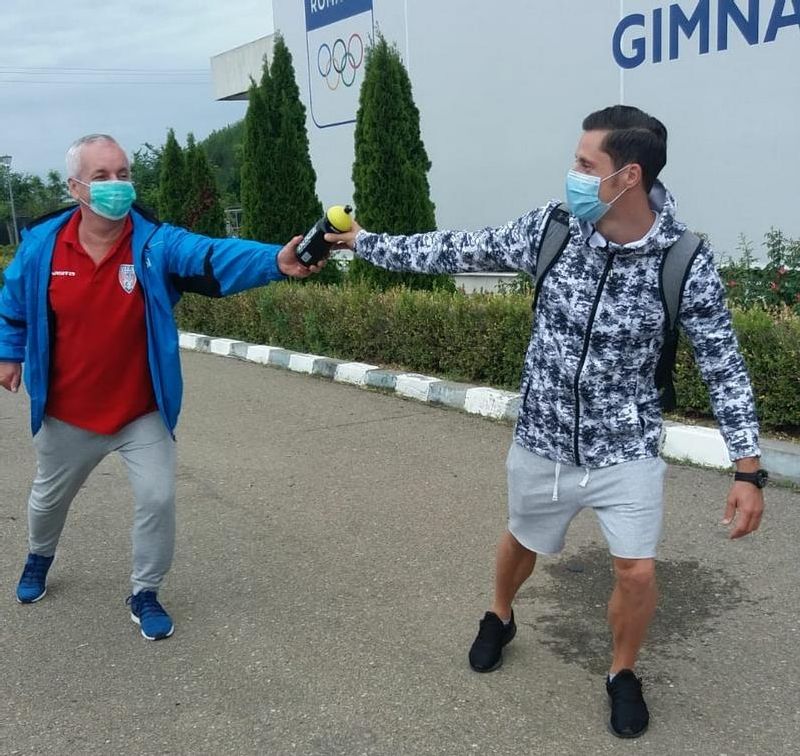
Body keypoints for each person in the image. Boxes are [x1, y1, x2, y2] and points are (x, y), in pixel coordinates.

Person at [327, 105, 766, 738]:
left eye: (586, 164)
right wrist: (365, 241)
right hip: (543, 435)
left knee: (637, 570)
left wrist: (747, 469)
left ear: (629, 176)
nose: (573, 174)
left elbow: (724, 363)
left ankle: (621, 672)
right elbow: (454, 248)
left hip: (627, 445)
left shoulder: (683, 258)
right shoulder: (551, 230)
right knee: (522, 540)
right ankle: (500, 614)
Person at [0, 134, 322, 641]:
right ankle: (39, 558)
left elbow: (211, 256)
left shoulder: (154, 243)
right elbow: (13, 303)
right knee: (47, 501)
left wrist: (275, 262)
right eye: (102, 176)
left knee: (157, 498)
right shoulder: (43, 245)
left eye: (123, 174)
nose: (116, 185)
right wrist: (8, 352)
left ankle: (145, 592)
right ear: (76, 187)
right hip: (68, 412)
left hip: (140, 411)